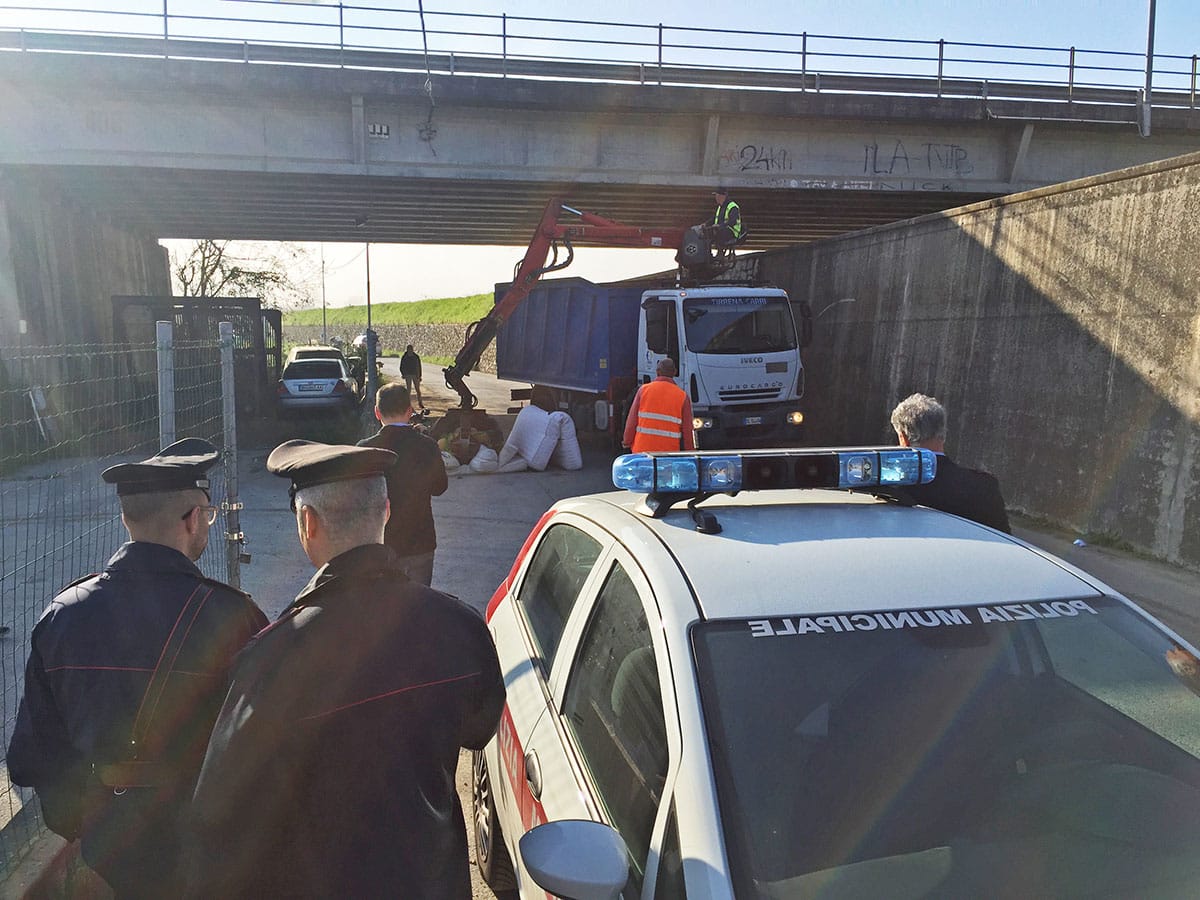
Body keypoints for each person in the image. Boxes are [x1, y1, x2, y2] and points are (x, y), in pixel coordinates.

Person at [187, 440, 506, 899]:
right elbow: (479, 728)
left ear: (307, 522)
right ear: (388, 511)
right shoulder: (458, 626)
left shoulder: (270, 660)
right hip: (432, 881)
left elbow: (218, 815)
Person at [6, 438, 266, 899]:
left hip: (110, 849)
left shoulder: (62, 616)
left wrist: (88, 831)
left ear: (128, 518)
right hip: (211, 845)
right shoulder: (233, 616)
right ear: (192, 519)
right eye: (206, 515)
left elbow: (31, 758)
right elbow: (266, 745)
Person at [357, 383, 448, 586]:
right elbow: (440, 487)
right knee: (418, 605)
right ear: (409, 411)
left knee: (383, 609)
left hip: (379, 545)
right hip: (420, 541)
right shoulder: (427, 445)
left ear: (377, 412)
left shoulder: (364, 450)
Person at [889, 393, 1011, 533]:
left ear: (903, 438)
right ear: (943, 434)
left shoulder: (894, 488)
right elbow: (1007, 540)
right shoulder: (984, 486)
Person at [623, 358, 696, 453]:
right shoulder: (683, 396)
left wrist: (627, 441)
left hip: (642, 452)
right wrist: (691, 451)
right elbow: (688, 430)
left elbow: (631, 421)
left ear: (657, 372)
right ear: (674, 372)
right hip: (669, 454)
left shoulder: (643, 390)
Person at [709, 185, 743, 251]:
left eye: (717, 195)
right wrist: (705, 224)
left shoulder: (732, 206)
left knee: (718, 232)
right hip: (721, 230)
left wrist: (720, 226)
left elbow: (733, 221)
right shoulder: (720, 207)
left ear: (722, 196)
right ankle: (707, 255)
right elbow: (714, 218)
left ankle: (720, 253)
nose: (716, 197)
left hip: (732, 232)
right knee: (707, 232)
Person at [399, 343, 425, 411]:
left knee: (418, 390)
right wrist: (403, 374)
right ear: (407, 350)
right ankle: (408, 404)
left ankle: (420, 403)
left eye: (411, 349)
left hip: (415, 375)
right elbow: (402, 366)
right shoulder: (405, 357)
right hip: (408, 375)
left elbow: (419, 367)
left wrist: (419, 376)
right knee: (408, 390)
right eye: (409, 350)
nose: (410, 351)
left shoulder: (416, 357)